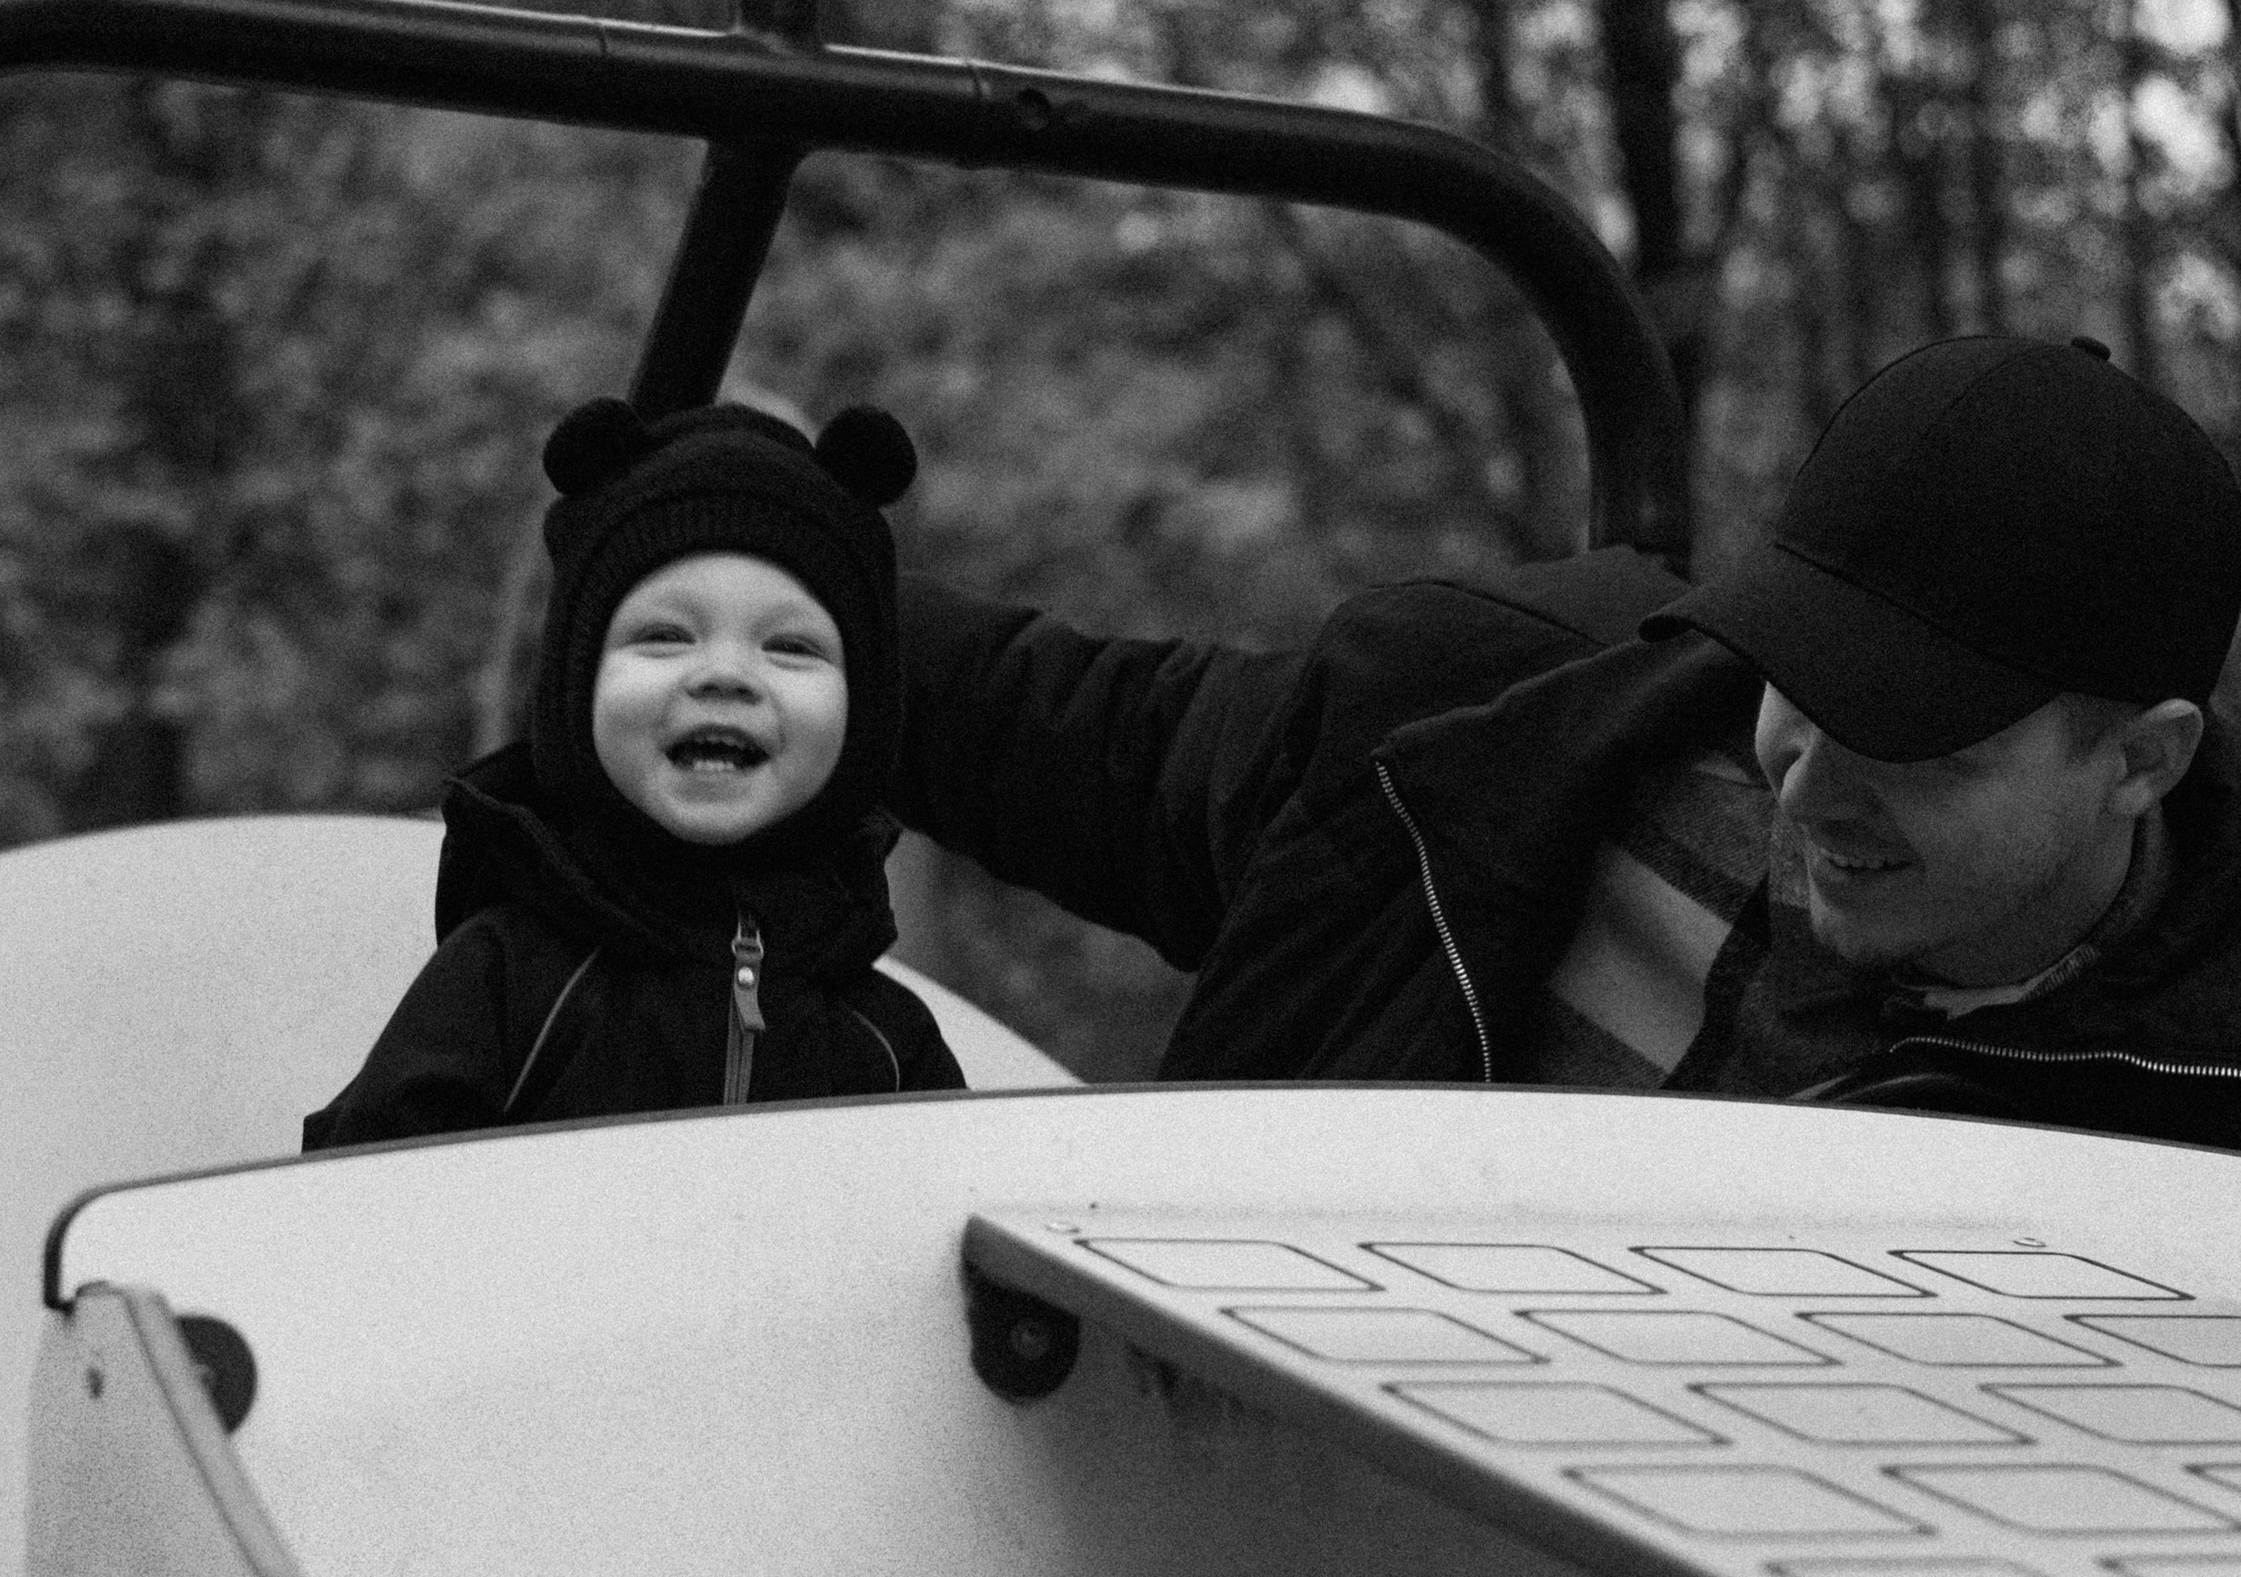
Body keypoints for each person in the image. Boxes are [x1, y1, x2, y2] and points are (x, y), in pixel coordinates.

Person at [890, 332, 2241, 1146]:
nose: (1813, 790)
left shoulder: (2198, 1109)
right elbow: (1072, 733)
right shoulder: (1487, 741)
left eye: (1916, 740)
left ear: (2143, 761)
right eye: (1801, 686)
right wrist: (763, 571)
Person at [306, 397, 964, 1145]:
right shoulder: (508, 983)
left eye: (790, 647)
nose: (725, 674)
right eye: (664, 636)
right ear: (575, 689)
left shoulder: (886, 1040)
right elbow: (355, 1208)